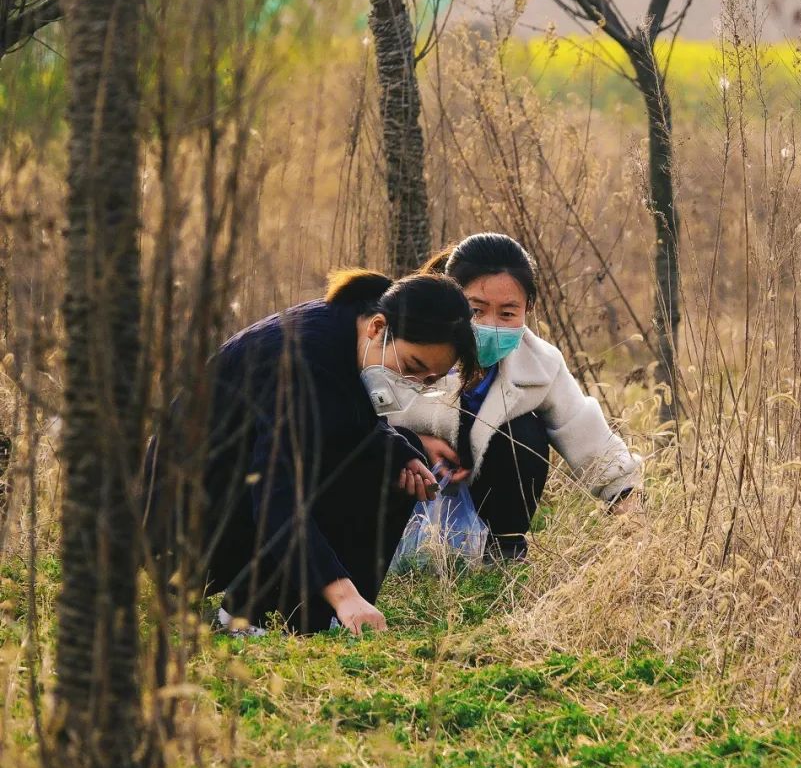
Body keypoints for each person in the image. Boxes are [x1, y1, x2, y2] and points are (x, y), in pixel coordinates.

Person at [145, 271, 478, 634]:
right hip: (188, 532)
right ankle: (253, 614)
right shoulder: (302, 362)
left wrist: (400, 452)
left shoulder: (352, 328)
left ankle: (320, 616)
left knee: (399, 454)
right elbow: (276, 494)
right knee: (364, 461)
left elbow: (342, 422)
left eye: (429, 380)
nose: (414, 384)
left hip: (237, 499)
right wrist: (342, 593)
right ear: (378, 328)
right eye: (413, 367)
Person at [388, 233, 642, 561]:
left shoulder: (538, 365)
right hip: (401, 483)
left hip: (477, 491)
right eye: (475, 310)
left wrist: (634, 519)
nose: (490, 325)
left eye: (508, 314)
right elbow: (354, 414)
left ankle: (503, 548)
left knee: (524, 432)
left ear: (528, 310)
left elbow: (588, 437)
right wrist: (415, 442)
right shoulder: (409, 345)